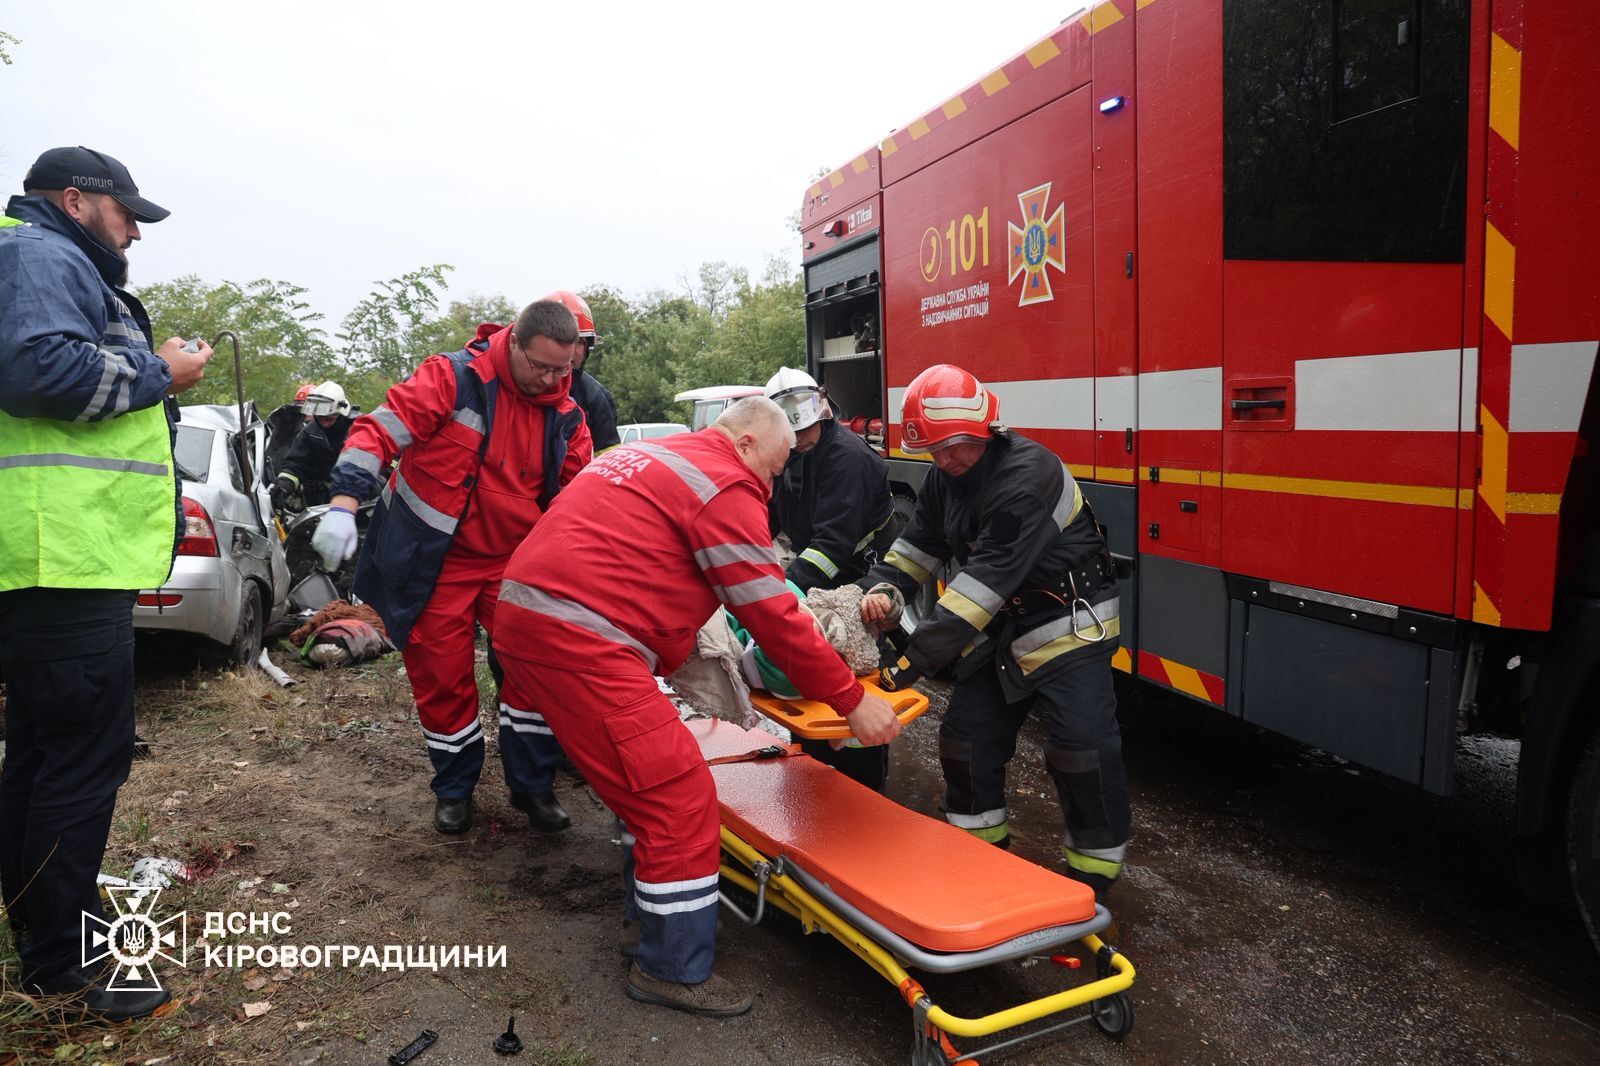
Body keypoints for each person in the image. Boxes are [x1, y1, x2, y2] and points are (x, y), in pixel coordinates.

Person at [492, 397, 902, 1017]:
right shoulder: (725, 483)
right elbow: (773, 616)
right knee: (677, 795)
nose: (772, 486)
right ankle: (672, 970)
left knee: (641, 787)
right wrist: (850, 699)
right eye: (774, 467)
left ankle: (649, 926)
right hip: (582, 641)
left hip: (531, 621)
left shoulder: (647, 455)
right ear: (743, 444)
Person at [0, 146, 212, 1021]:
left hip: (55, 558)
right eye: (127, 214)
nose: (134, 231)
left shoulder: (37, 255)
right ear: (74, 200)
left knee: (44, 761)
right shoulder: (39, 253)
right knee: (81, 764)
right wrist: (165, 372)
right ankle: (70, 966)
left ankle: (45, 942)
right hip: (61, 559)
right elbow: (40, 372)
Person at [311, 300, 591, 836]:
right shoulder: (451, 379)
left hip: (514, 565)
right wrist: (345, 502)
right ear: (513, 344)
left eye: (565, 370)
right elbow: (378, 431)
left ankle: (533, 786)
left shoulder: (567, 417)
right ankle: (455, 789)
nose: (554, 380)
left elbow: (579, 504)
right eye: (543, 368)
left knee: (536, 667)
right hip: (435, 562)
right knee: (443, 678)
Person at [858, 364, 1129, 900]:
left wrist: (908, 666)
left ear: (986, 427)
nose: (944, 459)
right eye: (932, 450)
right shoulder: (944, 479)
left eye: (954, 445)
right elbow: (917, 549)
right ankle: (977, 856)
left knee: (1081, 748)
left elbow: (981, 585)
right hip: (1001, 626)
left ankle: (1092, 875)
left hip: (1067, 622)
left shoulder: (1029, 476)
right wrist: (881, 591)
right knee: (966, 740)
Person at [764, 366, 899, 790]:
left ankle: (863, 795)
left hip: (861, 583)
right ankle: (814, 783)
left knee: (858, 690)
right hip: (821, 583)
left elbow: (832, 546)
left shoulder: (848, 458)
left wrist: (782, 595)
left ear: (821, 413)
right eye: (792, 432)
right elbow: (765, 520)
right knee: (811, 697)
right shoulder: (790, 455)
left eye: (806, 428)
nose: (800, 438)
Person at [542, 289, 619, 452]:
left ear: (587, 348)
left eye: (577, 341)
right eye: (559, 340)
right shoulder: (520, 385)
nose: (568, 350)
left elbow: (606, 463)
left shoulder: (598, 399)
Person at [270, 380, 353, 512]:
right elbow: (295, 464)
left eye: (329, 419)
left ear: (341, 413)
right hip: (316, 504)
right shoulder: (310, 432)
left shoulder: (358, 430)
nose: (324, 424)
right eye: (320, 419)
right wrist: (283, 486)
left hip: (355, 502)